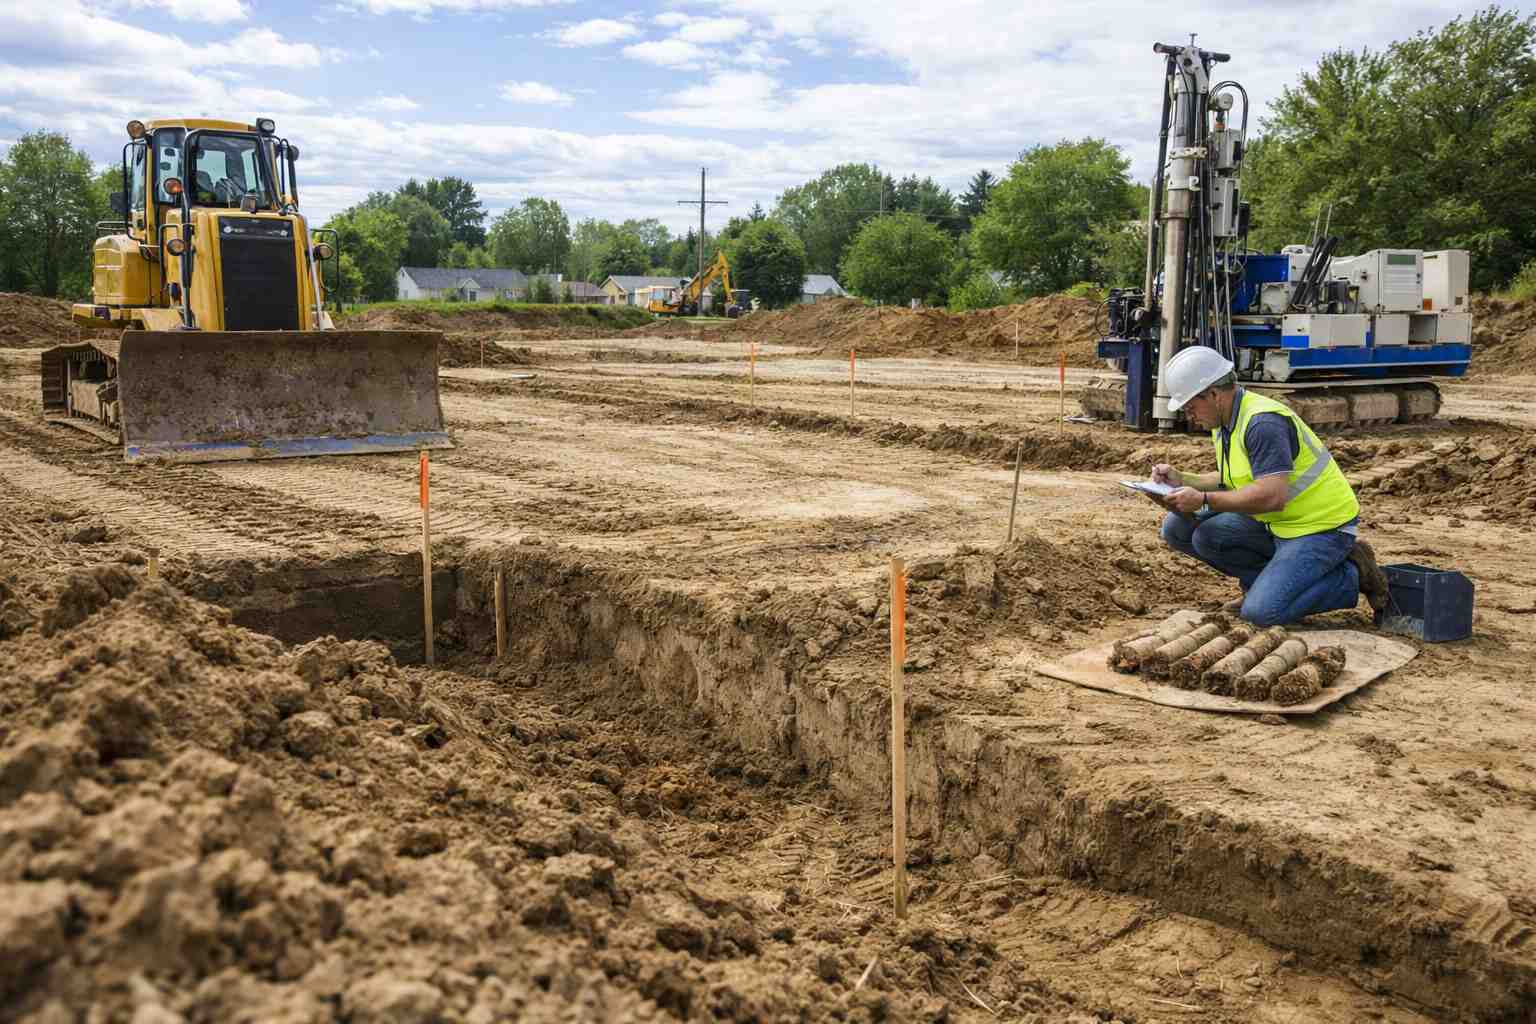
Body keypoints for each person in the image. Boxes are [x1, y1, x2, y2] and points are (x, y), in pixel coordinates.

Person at [1149, 346, 1390, 626]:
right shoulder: (1224, 421)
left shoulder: (1262, 423)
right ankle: (1263, 584)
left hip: (1320, 527)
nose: (1189, 415)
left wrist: (1203, 499)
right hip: (1278, 521)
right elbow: (1234, 479)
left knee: (1262, 613)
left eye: (1191, 407)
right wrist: (1182, 479)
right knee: (1179, 527)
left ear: (1214, 395)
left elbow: (1272, 496)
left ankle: (1352, 575)